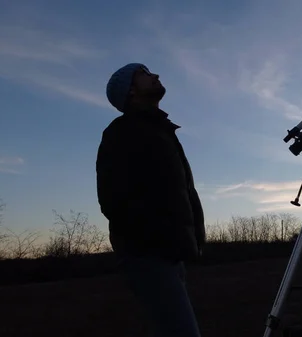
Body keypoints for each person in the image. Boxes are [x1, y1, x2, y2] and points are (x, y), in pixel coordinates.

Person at [96, 62, 206, 337]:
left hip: (170, 253)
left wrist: (191, 239)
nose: (155, 74)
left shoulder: (161, 131)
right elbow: (112, 199)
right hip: (148, 254)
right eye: (144, 74)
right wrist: (156, 238)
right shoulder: (122, 132)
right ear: (130, 91)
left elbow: (182, 192)